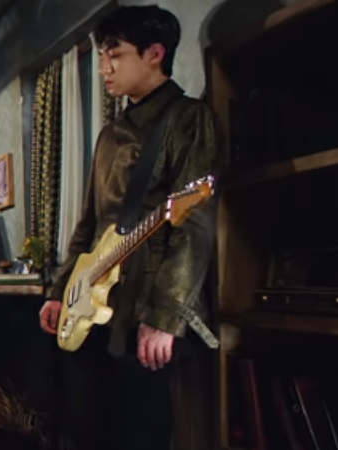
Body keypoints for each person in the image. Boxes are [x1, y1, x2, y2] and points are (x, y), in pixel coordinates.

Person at [37, 6, 224, 450]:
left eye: (115, 55)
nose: (104, 67)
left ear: (154, 54)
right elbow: (88, 223)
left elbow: (193, 226)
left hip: (143, 305)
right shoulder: (110, 133)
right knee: (84, 428)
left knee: (140, 431)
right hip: (91, 304)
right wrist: (61, 290)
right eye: (102, 56)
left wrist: (163, 318)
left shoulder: (188, 118)